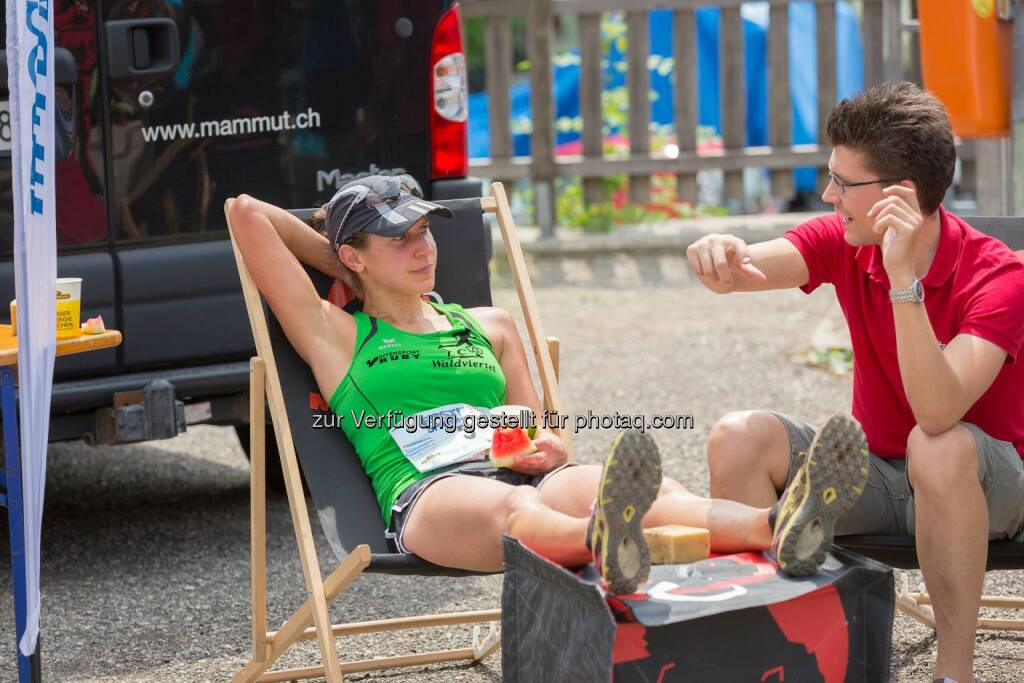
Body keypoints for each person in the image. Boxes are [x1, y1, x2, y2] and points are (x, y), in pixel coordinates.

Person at [229, 174, 868, 593]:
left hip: (527, 472)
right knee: (517, 512)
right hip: (429, 493)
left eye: (424, 231)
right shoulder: (336, 334)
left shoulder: (488, 325)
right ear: (352, 255)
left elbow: (540, 432)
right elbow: (246, 214)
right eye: (397, 239)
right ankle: (603, 541)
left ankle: (775, 523)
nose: (423, 249)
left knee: (654, 491)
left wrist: (546, 449)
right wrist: (346, 264)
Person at [686, 82, 1024, 683]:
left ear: (901, 196)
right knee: (738, 435)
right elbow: (747, 269)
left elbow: (938, 411)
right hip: (882, 478)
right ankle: (772, 664)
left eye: (844, 183)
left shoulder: (1001, 276)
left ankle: (954, 675)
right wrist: (722, 255)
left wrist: (902, 284)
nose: (827, 194)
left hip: (986, 490)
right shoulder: (843, 240)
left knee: (937, 446)